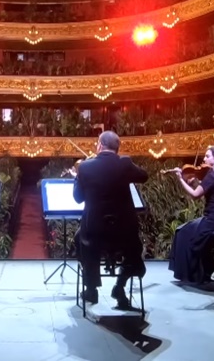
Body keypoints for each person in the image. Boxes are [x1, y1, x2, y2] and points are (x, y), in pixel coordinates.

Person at [72, 131, 149, 309]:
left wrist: (77, 176)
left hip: (94, 234)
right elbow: (144, 176)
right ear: (117, 148)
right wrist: (125, 166)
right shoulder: (125, 163)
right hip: (124, 234)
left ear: (99, 145)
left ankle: (91, 289)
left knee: (79, 240)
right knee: (135, 247)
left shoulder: (85, 167)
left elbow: (78, 198)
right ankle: (120, 286)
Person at [166, 146, 214, 284]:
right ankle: (204, 270)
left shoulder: (212, 175)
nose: (204, 159)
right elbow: (206, 189)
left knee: (182, 232)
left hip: (212, 220)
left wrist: (180, 179)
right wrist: (195, 182)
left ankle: (192, 274)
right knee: (186, 230)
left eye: (207, 156)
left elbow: (195, 195)